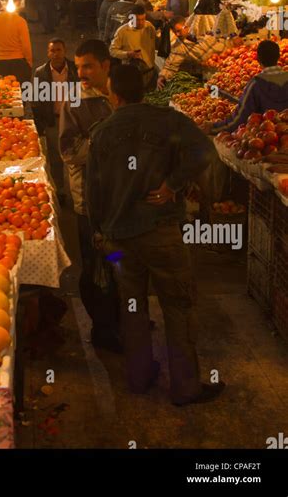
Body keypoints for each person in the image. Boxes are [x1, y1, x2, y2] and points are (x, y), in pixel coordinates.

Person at [86, 63, 225, 405]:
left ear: (113, 94)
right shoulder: (168, 120)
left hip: (119, 241)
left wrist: (99, 233)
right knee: (177, 307)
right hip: (161, 234)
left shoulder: (101, 133)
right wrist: (172, 184)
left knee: (131, 307)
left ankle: (139, 376)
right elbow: (205, 151)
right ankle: (185, 387)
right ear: (143, 91)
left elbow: (94, 193)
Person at [59, 39, 120, 351]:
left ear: (105, 65)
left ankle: (121, 317)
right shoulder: (74, 100)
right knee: (94, 263)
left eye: (88, 66)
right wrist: (102, 145)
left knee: (118, 260)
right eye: (78, 66)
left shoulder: (116, 95)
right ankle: (102, 326)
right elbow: (68, 150)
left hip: (119, 200)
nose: (81, 72)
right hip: (89, 201)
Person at [205, 40, 288, 133]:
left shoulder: (255, 84)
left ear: (258, 59)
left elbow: (240, 118)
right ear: (278, 57)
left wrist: (214, 127)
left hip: (265, 139)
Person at [32, 39, 79, 204]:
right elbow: (36, 101)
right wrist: (41, 126)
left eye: (59, 50)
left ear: (64, 51)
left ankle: (77, 192)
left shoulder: (74, 70)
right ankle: (60, 191)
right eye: (52, 51)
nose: (56, 54)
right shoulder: (41, 73)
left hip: (73, 123)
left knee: (75, 157)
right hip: (53, 122)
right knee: (56, 159)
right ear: (48, 53)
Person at [157, 17, 239, 89]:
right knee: (216, 96)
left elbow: (223, 33)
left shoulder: (205, 28)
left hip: (229, 66)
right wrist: (162, 76)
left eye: (179, 31)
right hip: (209, 75)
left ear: (186, 26)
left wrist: (233, 40)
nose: (177, 34)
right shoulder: (179, 46)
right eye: (175, 32)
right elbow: (171, 64)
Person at [0, 0, 32, 83]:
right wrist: (29, 63)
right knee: (21, 93)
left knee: (6, 93)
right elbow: (26, 46)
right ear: (17, 1)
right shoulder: (20, 21)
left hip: (1, 63)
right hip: (19, 62)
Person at [109, 4, 157, 90]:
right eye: (138, 20)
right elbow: (112, 50)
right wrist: (127, 54)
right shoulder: (122, 31)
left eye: (143, 19)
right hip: (131, 74)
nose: (141, 22)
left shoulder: (149, 27)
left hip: (150, 71)